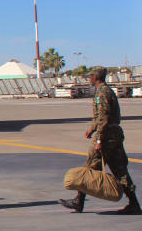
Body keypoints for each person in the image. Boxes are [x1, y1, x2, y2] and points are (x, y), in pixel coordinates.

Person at [60, 66, 141, 214]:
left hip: (106, 137)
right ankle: (134, 203)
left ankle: (79, 201)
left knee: (91, 167)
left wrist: (99, 140)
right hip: (112, 134)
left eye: (90, 76)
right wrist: (92, 128)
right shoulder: (106, 91)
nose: (89, 79)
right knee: (118, 170)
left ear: (96, 77)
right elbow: (103, 116)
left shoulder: (102, 93)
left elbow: (103, 116)